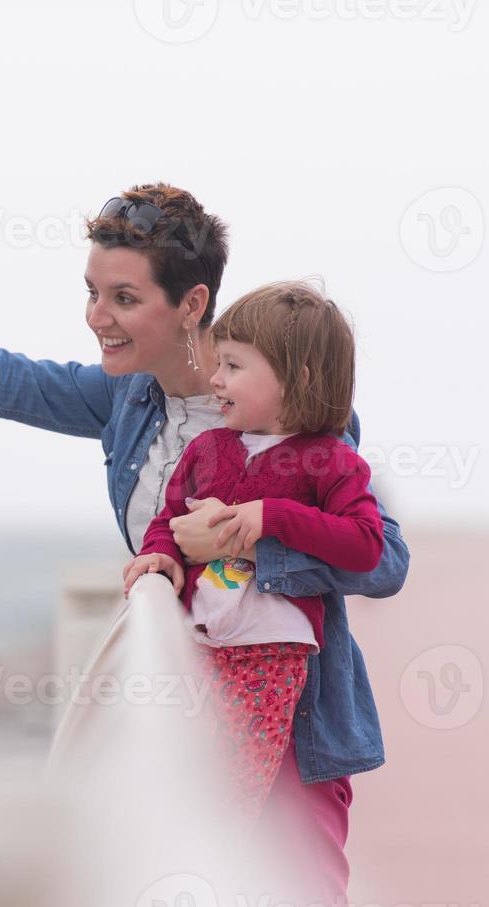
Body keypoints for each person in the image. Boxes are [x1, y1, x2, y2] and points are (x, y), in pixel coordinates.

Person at [0, 182, 410, 907]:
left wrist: (242, 541)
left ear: (190, 302)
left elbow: (381, 563)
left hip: (292, 718)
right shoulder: (126, 401)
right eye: (92, 293)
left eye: (123, 297)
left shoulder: (294, 404)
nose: (95, 315)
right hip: (175, 705)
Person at [122, 281, 385, 822]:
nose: (214, 379)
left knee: (234, 808)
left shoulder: (332, 461)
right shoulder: (206, 449)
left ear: (299, 380)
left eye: (234, 367)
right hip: (199, 650)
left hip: (272, 656)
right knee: (192, 791)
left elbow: (366, 546)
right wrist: (160, 554)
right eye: (219, 364)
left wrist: (272, 517)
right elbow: (170, 518)